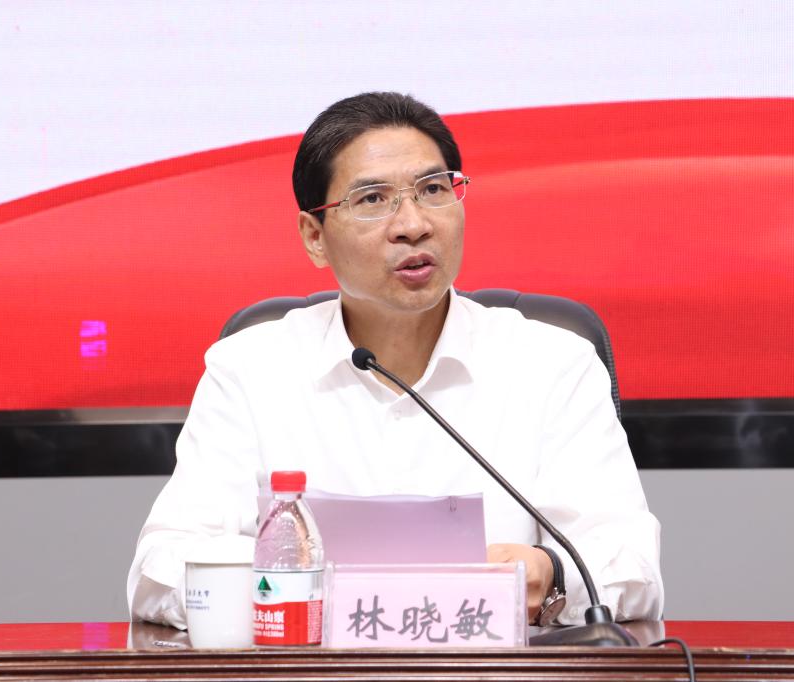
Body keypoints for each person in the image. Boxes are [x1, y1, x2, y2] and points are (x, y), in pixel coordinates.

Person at [128, 92, 664, 629]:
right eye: (372, 199)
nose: (413, 224)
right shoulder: (251, 369)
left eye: (433, 189)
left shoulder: (552, 363)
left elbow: (631, 566)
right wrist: (284, 584)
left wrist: (552, 575)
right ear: (314, 237)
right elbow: (160, 570)